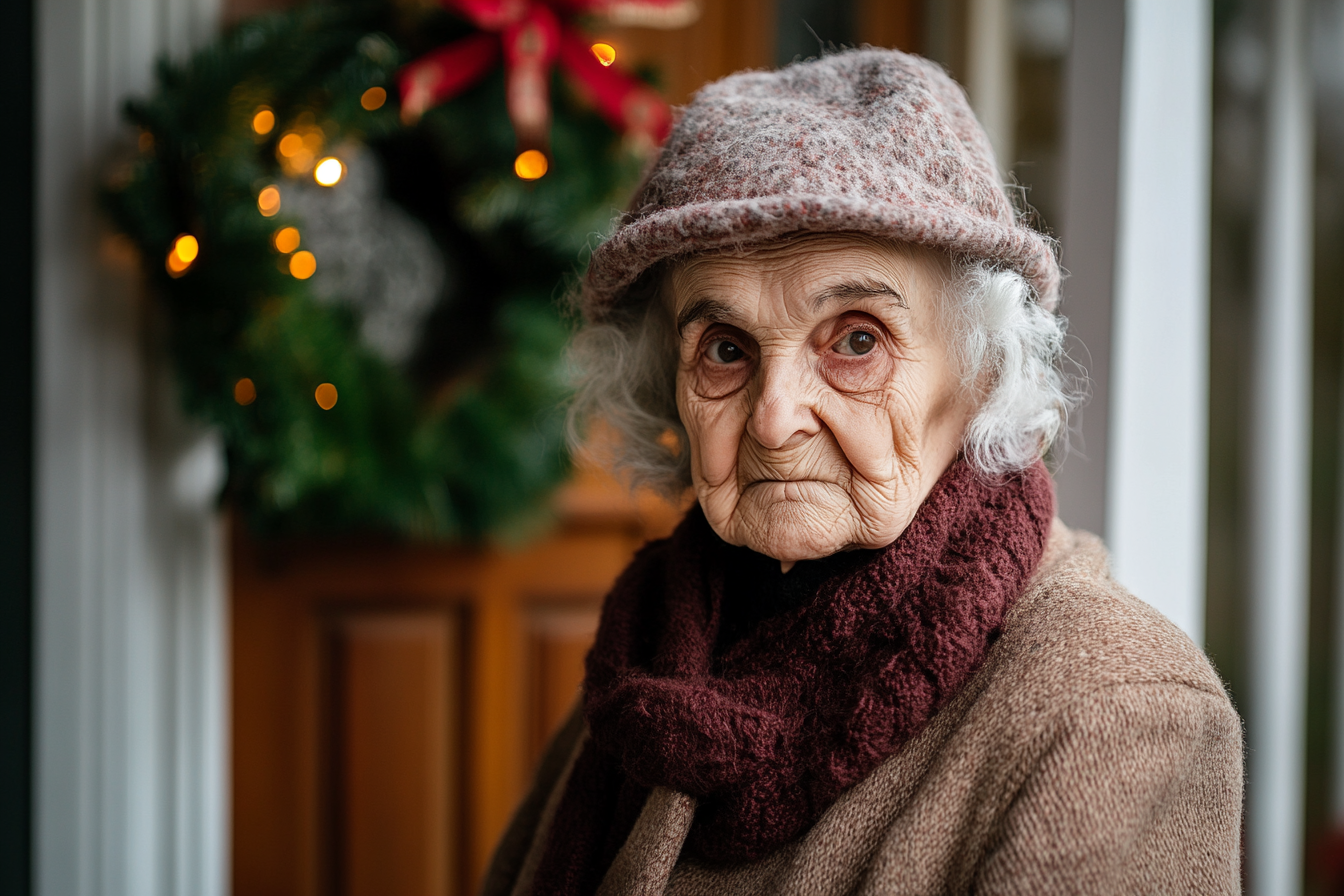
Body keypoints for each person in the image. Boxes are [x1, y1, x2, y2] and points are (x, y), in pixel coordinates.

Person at [483, 48, 1242, 896]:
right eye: (726, 350)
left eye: (855, 340)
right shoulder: (648, 658)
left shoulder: (1116, 712)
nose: (773, 417)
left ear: (982, 374)